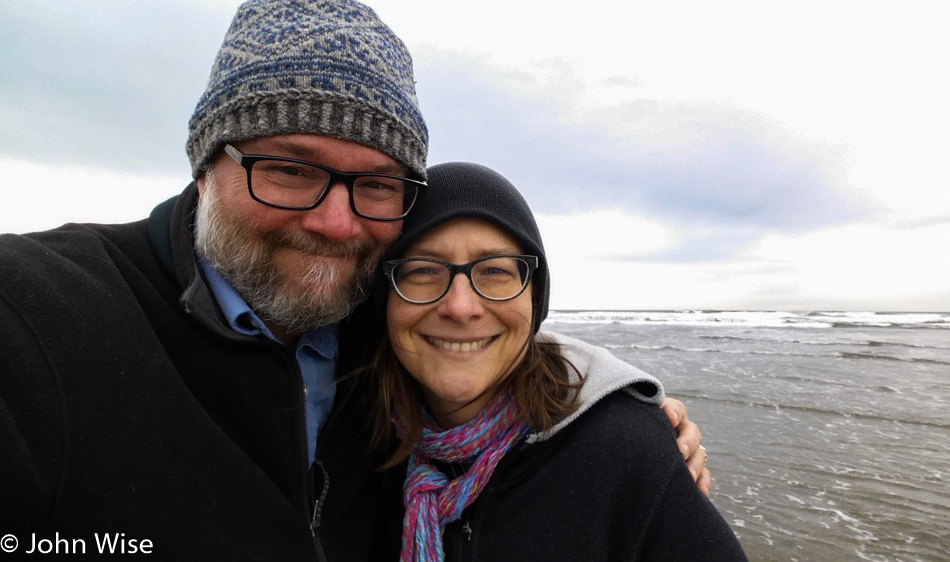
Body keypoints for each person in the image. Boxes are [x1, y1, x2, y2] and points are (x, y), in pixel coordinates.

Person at [0, 1, 706, 560]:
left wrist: (621, 404)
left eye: (375, 184)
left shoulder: (374, 326)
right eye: (291, 169)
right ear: (207, 162)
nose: (337, 223)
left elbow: (482, 323)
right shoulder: (40, 316)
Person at [369, 162, 747, 561]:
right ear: (385, 298)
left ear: (535, 300)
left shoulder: (623, 450)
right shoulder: (346, 434)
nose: (461, 307)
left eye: (495, 270)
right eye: (423, 270)